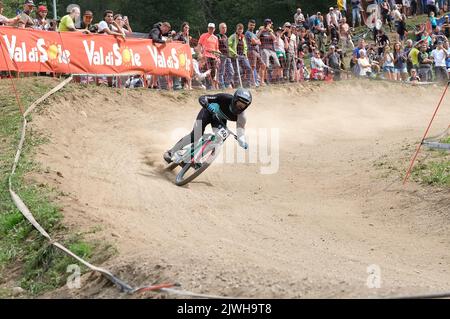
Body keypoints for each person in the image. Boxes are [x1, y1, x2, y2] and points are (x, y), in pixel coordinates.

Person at [163, 89, 252, 164]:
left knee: (221, 138)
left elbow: (240, 130)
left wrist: (241, 140)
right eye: (239, 103)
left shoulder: (242, 117)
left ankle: (198, 157)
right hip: (208, 112)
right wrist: (206, 105)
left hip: (218, 120)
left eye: (243, 105)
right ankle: (171, 152)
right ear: (234, 100)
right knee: (195, 135)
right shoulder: (224, 97)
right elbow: (203, 98)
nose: (240, 107)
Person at [257, 19, 281, 84]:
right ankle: (264, 80)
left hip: (272, 49)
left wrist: (269, 30)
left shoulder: (271, 31)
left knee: (278, 64)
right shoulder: (261, 30)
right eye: (270, 24)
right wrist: (261, 30)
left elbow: (274, 38)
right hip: (264, 48)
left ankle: (273, 79)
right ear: (267, 24)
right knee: (266, 65)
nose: (271, 25)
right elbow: (256, 37)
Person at [198, 23, 220, 89]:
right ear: (207, 28)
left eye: (212, 28)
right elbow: (199, 45)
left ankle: (211, 86)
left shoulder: (216, 38)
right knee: (205, 71)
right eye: (209, 28)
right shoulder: (203, 35)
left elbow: (217, 48)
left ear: (214, 29)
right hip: (205, 56)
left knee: (213, 72)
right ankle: (206, 86)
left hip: (213, 57)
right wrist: (199, 54)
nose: (211, 29)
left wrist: (218, 56)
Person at [246, 20, 266, 86]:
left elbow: (259, 42)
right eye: (251, 25)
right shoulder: (248, 33)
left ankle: (261, 82)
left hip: (257, 52)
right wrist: (256, 41)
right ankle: (253, 82)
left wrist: (256, 41)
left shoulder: (254, 34)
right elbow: (254, 42)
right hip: (251, 51)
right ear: (248, 25)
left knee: (263, 65)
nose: (252, 26)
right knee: (253, 67)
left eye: (253, 25)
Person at [217, 23, 235, 89]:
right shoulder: (218, 36)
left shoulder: (226, 37)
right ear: (220, 28)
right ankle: (222, 86)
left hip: (227, 56)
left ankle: (227, 84)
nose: (224, 29)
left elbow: (228, 47)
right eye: (223, 27)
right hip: (221, 56)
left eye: (225, 27)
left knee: (231, 72)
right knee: (221, 71)